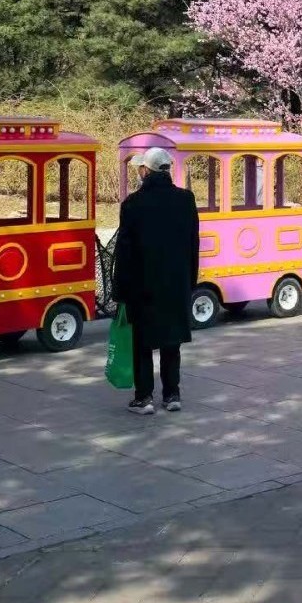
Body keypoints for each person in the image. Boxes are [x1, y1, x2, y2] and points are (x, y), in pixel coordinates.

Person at [114, 147, 198, 415]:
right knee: (171, 341)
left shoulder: (132, 204)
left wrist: (120, 291)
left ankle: (144, 398)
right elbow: (192, 246)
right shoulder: (186, 200)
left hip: (143, 286)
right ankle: (172, 395)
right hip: (177, 283)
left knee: (142, 343)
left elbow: (125, 252)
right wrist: (190, 282)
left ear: (145, 171)